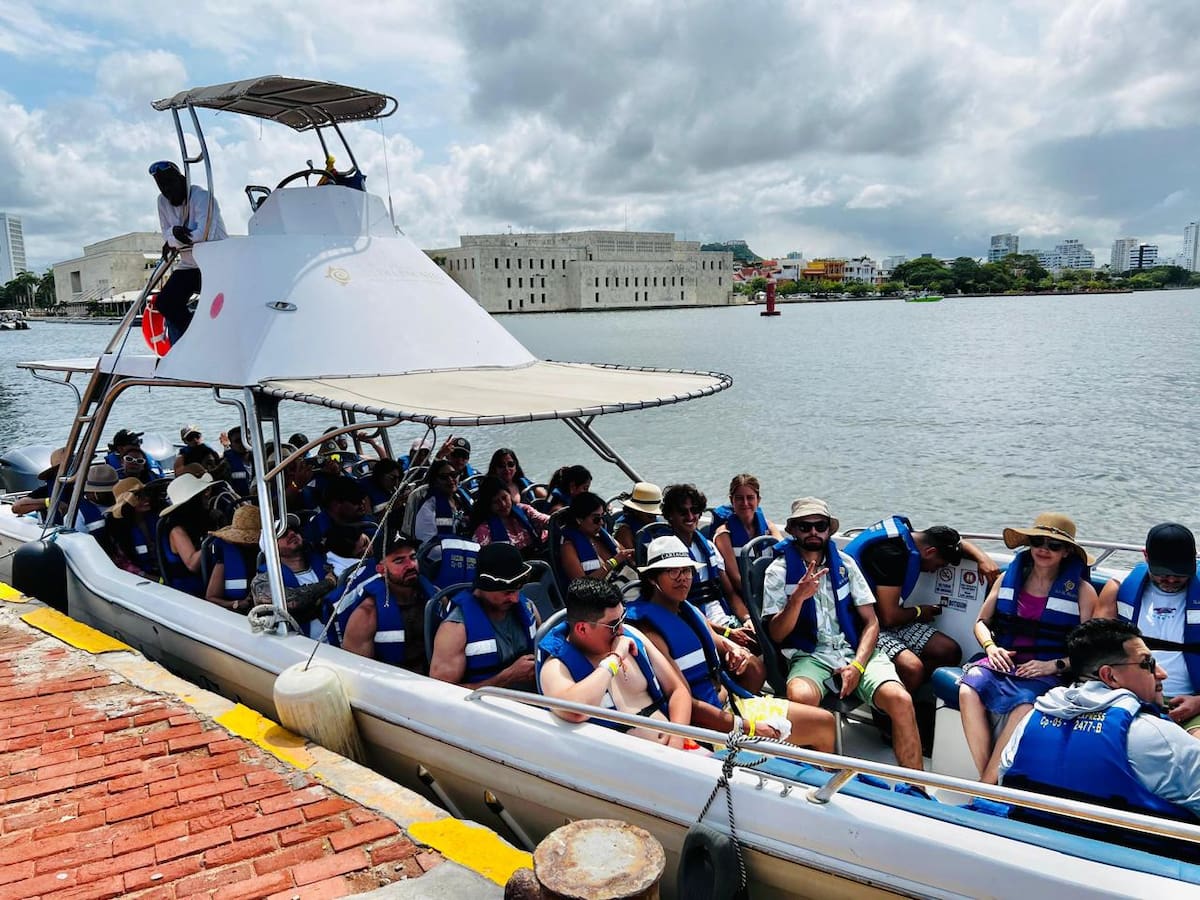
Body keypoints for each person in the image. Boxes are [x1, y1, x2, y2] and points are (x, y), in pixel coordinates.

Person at [998, 619, 1200, 844]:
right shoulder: (1157, 736)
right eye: (1148, 663)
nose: (1162, 673)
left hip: (1035, 849)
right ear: (1110, 676)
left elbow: (1006, 781)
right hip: (1135, 860)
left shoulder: (1029, 723)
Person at [626, 537, 834, 749]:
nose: (683, 578)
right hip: (707, 729)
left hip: (731, 704)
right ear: (652, 578)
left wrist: (735, 651)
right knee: (818, 729)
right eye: (672, 572)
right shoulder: (649, 630)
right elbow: (681, 699)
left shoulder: (687, 610)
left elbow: (717, 642)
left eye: (686, 571)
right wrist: (749, 727)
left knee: (825, 722)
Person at [763, 498, 924, 770]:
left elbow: (871, 622)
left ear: (829, 529)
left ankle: (915, 785)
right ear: (792, 530)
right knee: (800, 696)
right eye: (805, 526)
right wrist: (798, 598)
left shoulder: (846, 565)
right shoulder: (777, 572)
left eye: (820, 525)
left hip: (853, 650)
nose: (813, 532)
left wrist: (858, 666)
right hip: (811, 654)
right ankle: (819, 775)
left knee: (900, 699)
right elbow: (777, 635)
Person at [959, 512, 1101, 782]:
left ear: (1067, 552)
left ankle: (985, 786)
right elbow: (981, 622)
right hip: (1002, 661)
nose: (1044, 550)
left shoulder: (1083, 592)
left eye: (1054, 545)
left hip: (1048, 669)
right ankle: (988, 782)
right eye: (1038, 542)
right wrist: (991, 648)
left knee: (1025, 706)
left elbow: (1090, 650)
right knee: (968, 687)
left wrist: (1054, 665)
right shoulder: (1006, 579)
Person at [843, 516, 999, 692]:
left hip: (881, 616)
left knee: (948, 651)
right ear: (930, 552)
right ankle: (887, 704)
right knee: (912, 669)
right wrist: (919, 612)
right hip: (860, 623)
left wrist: (981, 557)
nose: (934, 570)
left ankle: (904, 693)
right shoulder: (892, 554)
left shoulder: (910, 537)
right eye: (939, 565)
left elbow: (956, 543)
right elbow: (889, 617)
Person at [537, 578, 694, 747]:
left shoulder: (632, 635)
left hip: (675, 747)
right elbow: (575, 711)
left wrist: (676, 741)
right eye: (613, 625)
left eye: (622, 619)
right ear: (582, 629)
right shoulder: (555, 668)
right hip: (621, 759)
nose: (621, 630)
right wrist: (614, 659)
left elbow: (678, 690)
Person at [1101, 523, 1200, 736]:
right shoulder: (1117, 589)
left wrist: (1198, 703)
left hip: (1193, 705)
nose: (1171, 579)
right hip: (1128, 699)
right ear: (1146, 556)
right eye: (1163, 573)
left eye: (1180, 573)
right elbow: (1094, 652)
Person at [429, 542, 541, 689]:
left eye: (517, 590)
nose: (515, 599)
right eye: (507, 592)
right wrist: (506, 678)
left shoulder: (529, 608)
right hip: (485, 702)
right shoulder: (455, 629)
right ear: (484, 587)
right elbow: (440, 691)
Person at [662, 483, 753, 644]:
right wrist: (727, 633)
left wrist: (747, 619)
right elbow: (677, 609)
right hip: (695, 627)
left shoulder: (709, 548)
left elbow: (730, 594)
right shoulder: (667, 554)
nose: (690, 516)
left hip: (725, 621)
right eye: (683, 512)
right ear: (670, 515)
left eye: (695, 510)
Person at [150, 160, 227, 345]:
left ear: (183, 180)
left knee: (215, 307)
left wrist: (174, 238)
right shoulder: (162, 201)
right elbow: (166, 233)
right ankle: (192, 343)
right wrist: (175, 233)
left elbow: (203, 235)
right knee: (165, 303)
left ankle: (199, 339)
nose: (168, 191)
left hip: (215, 264)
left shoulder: (203, 197)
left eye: (170, 184)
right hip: (189, 264)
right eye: (163, 187)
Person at [331, 533, 427, 673]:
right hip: (389, 681)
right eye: (399, 561)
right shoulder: (366, 615)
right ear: (381, 569)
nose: (410, 565)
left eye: (412, 557)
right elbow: (356, 672)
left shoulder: (434, 598)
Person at [248, 514, 336, 638]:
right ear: (270, 546)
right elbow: (292, 602)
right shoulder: (263, 580)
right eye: (283, 533)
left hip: (337, 638)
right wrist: (329, 583)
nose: (292, 533)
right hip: (298, 645)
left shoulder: (326, 563)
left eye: (294, 530)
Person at [711, 474, 783, 595]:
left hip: (769, 591)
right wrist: (756, 597)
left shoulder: (769, 527)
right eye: (739, 498)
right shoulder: (723, 535)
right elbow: (736, 579)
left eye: (750, 498)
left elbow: (784, 550)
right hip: (742, 594)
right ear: (732, 500)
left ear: (758, 500)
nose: (745, 503)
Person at [159, 472, 219, 596]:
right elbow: (192, 564)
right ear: (193, 501)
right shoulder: (177, 530)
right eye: (203, 494)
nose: (207, 496)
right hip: (187, 593)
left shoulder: (197, 523)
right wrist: (215, 535)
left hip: (206, 582)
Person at [558, 492, 634, 581]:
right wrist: (613, 562)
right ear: (579, 519)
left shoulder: (601, 537)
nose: (601, 522)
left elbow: (625, 555)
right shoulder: (568, 547)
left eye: (602, 517)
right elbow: (581, 585)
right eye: (596, 519)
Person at [468, 476, 549, 557]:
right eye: (496, 502)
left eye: (504, 498)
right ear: (488, 505)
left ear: (510, 495)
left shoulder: (524, 510)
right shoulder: (483, 532)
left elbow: (546, 520)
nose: (503, 504)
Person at [204, 505, 262, 613]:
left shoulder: (271, 551)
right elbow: (211, 597)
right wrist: (236, 604)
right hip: (237, 613)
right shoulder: (226, 553)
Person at [105, 478, 160, 578]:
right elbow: (123, 562)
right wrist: (148, 577)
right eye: (138, 496)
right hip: (139, 579)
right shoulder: (117, 528)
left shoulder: (157, 517)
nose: (146, 498)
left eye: (146, 493)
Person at [405, 459, 466, 543]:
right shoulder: (428, 507)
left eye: (453, 474)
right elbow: (427, 541)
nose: (450, 479)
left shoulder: (461, 496)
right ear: (434, 481)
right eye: (443, 477)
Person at [612, 482, 663, 552]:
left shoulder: (664, 524)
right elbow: (629, 557)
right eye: (650, 516)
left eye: (655, 514)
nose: (654, 517)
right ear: (636, 511)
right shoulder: (624, 531)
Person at [219, 426, 253, 496]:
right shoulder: (226, 463)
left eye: (247, 439)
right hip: (239, 500)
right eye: (238, 441)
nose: (244, 443)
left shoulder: (261, 458)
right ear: (231, 445)